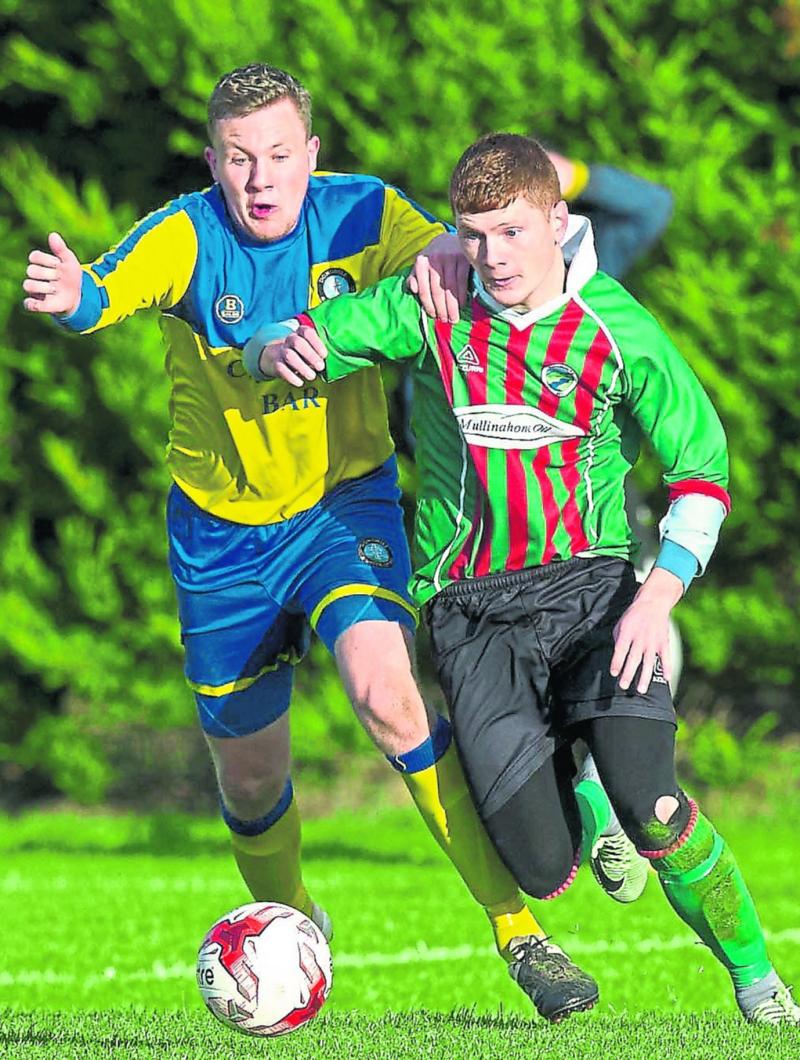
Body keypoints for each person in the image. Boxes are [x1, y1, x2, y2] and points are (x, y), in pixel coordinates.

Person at [20, 65, 636, 1023]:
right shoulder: (184, 235)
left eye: (278, 156)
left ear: (310, 155)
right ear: (213, 163)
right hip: (219, 540)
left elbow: (453, 250)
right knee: (252, 776)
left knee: (389, 700)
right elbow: (104, 293)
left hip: (341, 510)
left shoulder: (362, 216)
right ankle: (293, 923)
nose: (260, 179)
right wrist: (70, 295)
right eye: (239, 159)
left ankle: (522, 936)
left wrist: (443, 253)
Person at [247, 132, 800, 1026]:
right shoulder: (433, 304)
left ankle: (759, 982)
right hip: (471, 615)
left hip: (595, 595)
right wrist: (275, 349)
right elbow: (297, 333)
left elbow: (702, 469)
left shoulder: (619, 329)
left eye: (510, 232)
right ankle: (578, 779)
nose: (491, 257)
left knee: (654, 805)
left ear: (557, 220)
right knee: (543, 867)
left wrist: (658, 597)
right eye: (471, 234)